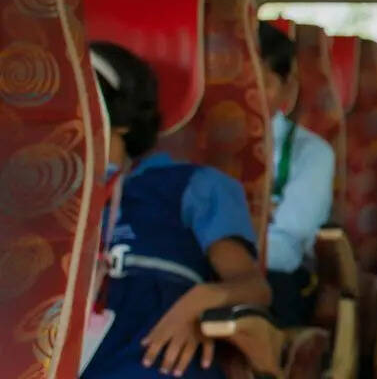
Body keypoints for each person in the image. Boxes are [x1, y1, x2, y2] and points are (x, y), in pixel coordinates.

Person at [83, 43, 271, 379]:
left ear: (122, 120)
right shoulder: (34, 200)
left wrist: (203, 301)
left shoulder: (194, 186)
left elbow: (254, 288)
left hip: (154, 353)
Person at [258, 22, 335, 326]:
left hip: (277, 277)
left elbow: (286, 247)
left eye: (260, 83)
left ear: (287, 86)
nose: (245, 96)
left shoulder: (310, 153)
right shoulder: (181, 148)